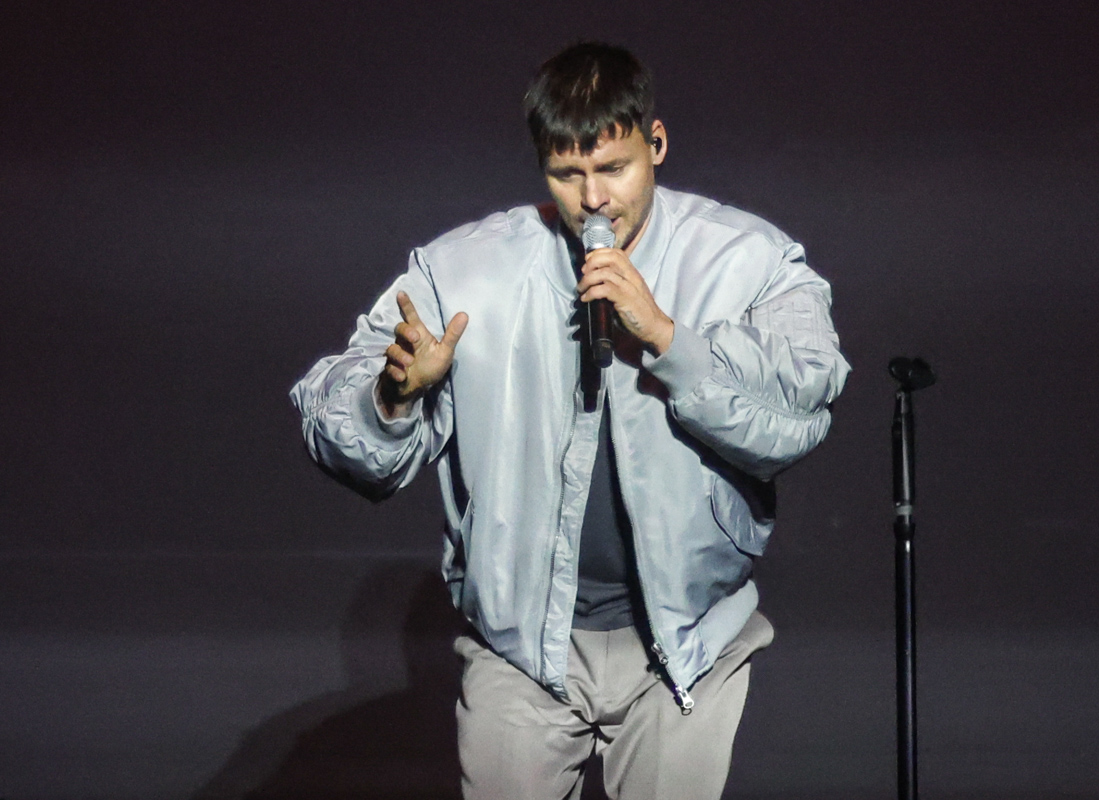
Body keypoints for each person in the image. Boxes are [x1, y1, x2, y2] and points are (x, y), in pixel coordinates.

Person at [290, 41, 849, 800]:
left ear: (656, 143)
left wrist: (667, 339)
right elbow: (333, 418)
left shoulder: (749, 260)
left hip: (687, 645)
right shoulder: (462, 272)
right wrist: (394, 397)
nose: (593, 199)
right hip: (521, 649)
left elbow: (801, 411)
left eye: (614, 168)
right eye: (566, 174)